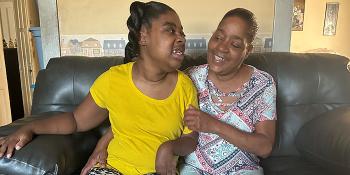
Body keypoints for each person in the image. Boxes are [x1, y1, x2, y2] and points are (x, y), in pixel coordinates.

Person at [0, 1, 199, 175]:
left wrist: (169, 148)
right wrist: (30, 128)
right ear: (143, 36)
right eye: (171, 30)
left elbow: (191, 138)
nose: (181, 37)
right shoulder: (113, 80)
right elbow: (75, 121)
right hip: (112, 169)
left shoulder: (185, 86)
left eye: (182, 32)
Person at [83, 7, 277, 175]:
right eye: (218, 37)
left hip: (243, 170)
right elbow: (138, 114)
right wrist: (102, 145)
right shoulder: (188, 78)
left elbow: (265, 147)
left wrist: (214, 125)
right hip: (193, 169)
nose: (222, 48)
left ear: (248, 50)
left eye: (235, 44)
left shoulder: (263, 84)